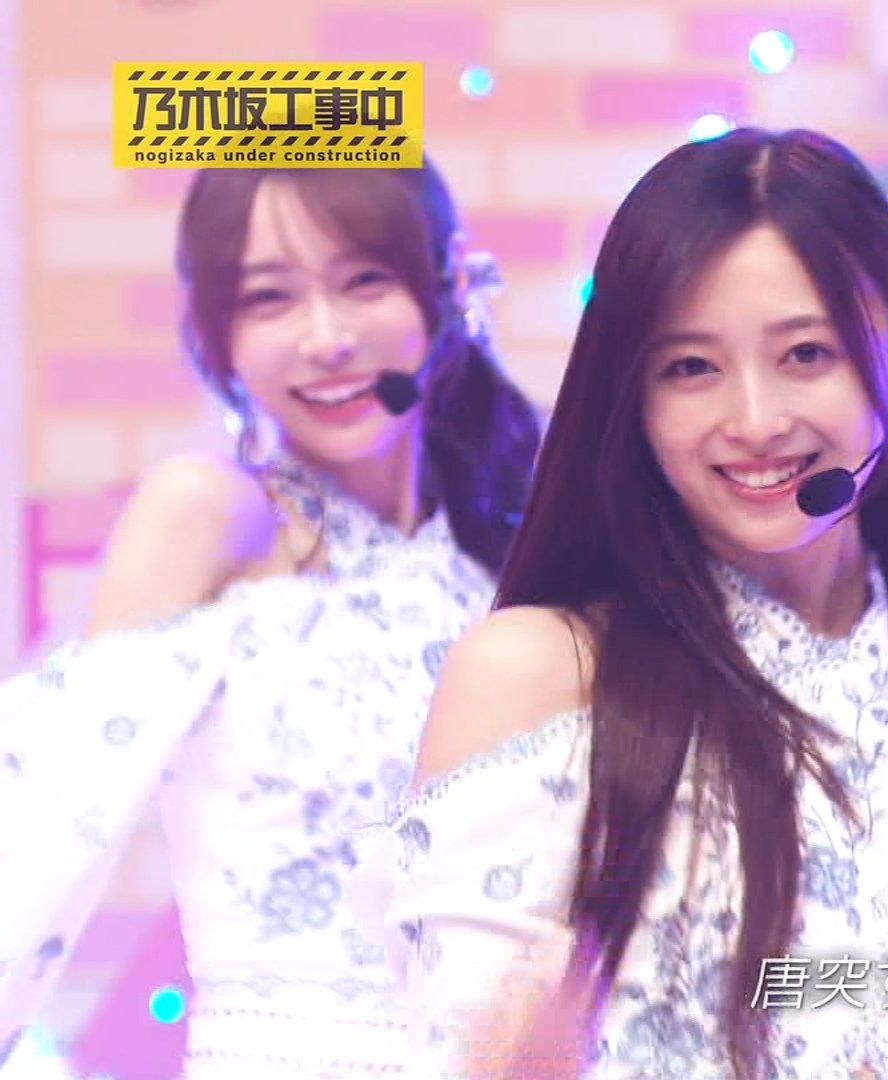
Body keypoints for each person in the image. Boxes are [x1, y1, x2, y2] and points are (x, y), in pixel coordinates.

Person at [349, 127, 888, 1079]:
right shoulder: (539, 680)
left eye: (805, 354)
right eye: (690, 368)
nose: (754, 421)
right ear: (635, 399)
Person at [0, 160, 542, 1078]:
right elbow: (42, 816)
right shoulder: (214, 513)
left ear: (446, 283)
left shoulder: (508, 545)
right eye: (269, 299)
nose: (327, 340)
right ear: (218, 335)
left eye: (364, 281)